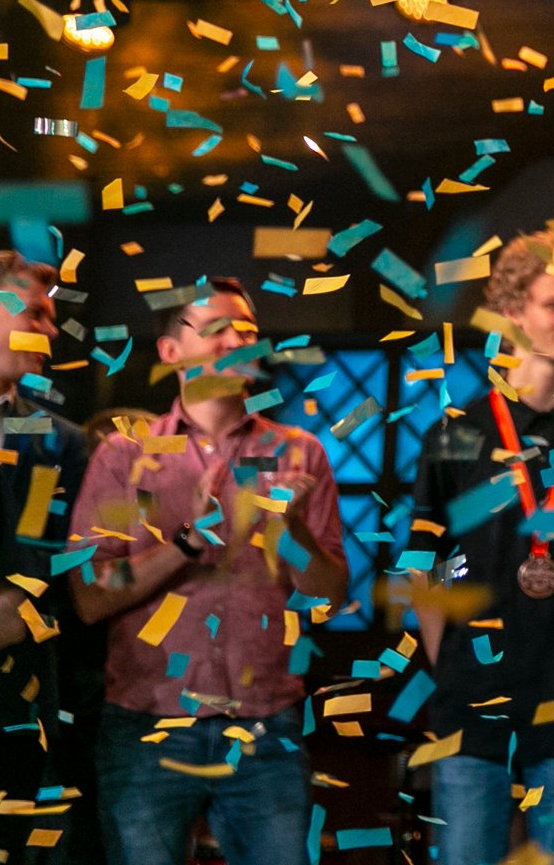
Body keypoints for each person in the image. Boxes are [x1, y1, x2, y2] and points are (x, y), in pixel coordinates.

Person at [68, 278, 348, 865]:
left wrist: (291, 530)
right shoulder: (126, 455)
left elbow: (326, 594)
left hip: (265, 727)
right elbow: (92, 597)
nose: (239, 340)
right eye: (218, 329)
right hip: (148, 726)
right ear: (171, 352)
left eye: (247, 330)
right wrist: (186, 542)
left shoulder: (300, 453)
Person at [408, 233, 554, 865]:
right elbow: (428, 568)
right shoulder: (457, 433)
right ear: (510, 312)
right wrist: (458, 671)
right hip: (472, 708)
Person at [0, 251, 104, 862]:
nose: (52, 331)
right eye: (37, 315)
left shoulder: (59, 447)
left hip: (8, 722)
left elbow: (36, 583)